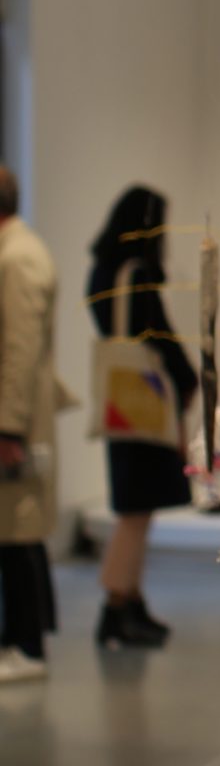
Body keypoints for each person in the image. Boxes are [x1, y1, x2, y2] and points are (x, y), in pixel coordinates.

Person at [88, 186, 194, 650]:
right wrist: (188, 380)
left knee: (136, 507)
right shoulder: (139, 273)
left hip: (122, 404)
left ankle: (129, 600)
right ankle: (115, 606)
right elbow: (159, 339)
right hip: (145, 403)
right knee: (136, 512)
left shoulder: (103, 272)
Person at [0, 165, 62, 683]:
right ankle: (19, 639)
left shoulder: (18, 259)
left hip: (11, 424)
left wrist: (9, 428)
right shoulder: (17, 253)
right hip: (12, 419)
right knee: (14, 532)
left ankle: (26, 644)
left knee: (17, 530)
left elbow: (18, 350)